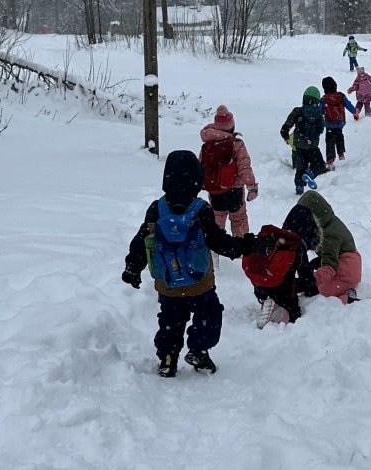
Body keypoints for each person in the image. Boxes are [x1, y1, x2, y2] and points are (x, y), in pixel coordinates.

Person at [121, 148, 256, 376]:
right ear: (197, 178)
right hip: (199, 282)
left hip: (168, 283)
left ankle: (168, 357)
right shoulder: (200, 209)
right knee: (209, 314)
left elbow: (142, 240)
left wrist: (132, 267)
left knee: (170, 320)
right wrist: (243, 246)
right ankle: (199, 350)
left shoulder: (156, 209)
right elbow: (217, 241)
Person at [291, 190, 362, 302]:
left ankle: (347, 299)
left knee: (319, 292)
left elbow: (330, 266)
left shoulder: (328, 234)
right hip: (346, 265)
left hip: (347, 270)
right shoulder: (327, 223)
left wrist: (311, 281)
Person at [242, 222, 318, 325]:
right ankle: (276, 303)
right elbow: (306, 276)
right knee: (293, 313)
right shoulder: (296, 245)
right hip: (278, 287)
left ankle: (266, 298)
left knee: (271, 274)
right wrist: (312, 289)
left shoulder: (268, 239)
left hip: (259, 284)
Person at [199, 105, 258, 236]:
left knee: (216, 220)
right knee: (239, 220)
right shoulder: (237, 144)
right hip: (234, 190)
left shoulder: (208, 145)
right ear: (232, 127)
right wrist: (252, 187)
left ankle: (215, 245)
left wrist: (201, 183)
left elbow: (201, 166)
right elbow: (244, 167)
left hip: (215, 189)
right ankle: (241, 244)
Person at [280, 86, 328, 195]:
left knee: (301, 166)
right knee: (320, 165)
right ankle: (310, 173)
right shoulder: (319, 113)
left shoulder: (298, 111)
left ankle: (299, 186)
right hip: (312, 146)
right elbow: (321, 129)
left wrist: (285, 134)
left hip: (299, 145)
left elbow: (287, 125)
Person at [320, 75, 355, 169]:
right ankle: (341, 154)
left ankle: (330, 160)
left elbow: (319, 111)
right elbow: (348, 105)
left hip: (329, 124)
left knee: (329, 142)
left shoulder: (324, 99)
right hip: (339, 123)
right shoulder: (341, 96)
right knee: (339, 136)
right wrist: (355, 112)